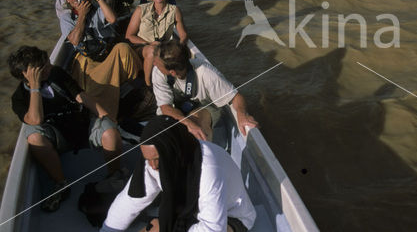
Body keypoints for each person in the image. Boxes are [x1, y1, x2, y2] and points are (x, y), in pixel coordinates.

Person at [9, 46, 126, 212]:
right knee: (33, 136)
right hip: (58, 139)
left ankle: (114, 175)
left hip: (81, 127)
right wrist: (35, 87)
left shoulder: (56, 74)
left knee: (110, 132)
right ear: (28, 75)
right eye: (44, 66)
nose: (50, 66)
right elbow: (36, 120)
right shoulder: (19, 98)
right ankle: (61, 184)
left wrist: (106, 116)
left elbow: (82, 96)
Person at [100, 115, 256, 232]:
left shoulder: (208, 168)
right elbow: (129, 201)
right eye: (147, 159)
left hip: (230, 218)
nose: (153, 166)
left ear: (172, 151)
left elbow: (214, 228)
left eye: (156, 159)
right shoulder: (154, 162)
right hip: (192, 214)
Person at [60, 0, 142, 121]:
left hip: (106, 52)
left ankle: (135, 90)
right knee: (93, 82)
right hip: (88, 58)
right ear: (68, 0)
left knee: (124, 49)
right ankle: (107, 112)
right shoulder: (67, 18)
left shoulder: (96, 9)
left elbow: (112, 19)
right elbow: (74, 40)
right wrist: (82, 15)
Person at [152, 40, 258, 141]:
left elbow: (236, 97)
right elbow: (166, 107)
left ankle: (205, 149)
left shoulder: (206, 73)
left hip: (203, 107)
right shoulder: (159, 72)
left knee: (198, 129)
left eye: (157, 63)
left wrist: (241, 114)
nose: (154, 65)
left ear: (172, 72)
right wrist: (188, 124)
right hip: (173, 108)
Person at [126, 0, 188, 88]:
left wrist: (180, 46)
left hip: (161, 48)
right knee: (152, 50)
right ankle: (148, 85)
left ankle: (177, 84)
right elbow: (129, 36)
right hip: (141, 47)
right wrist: (148, 43)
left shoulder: (175, 10)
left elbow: (183, 34)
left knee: (159, 51)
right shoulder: (141, 9)